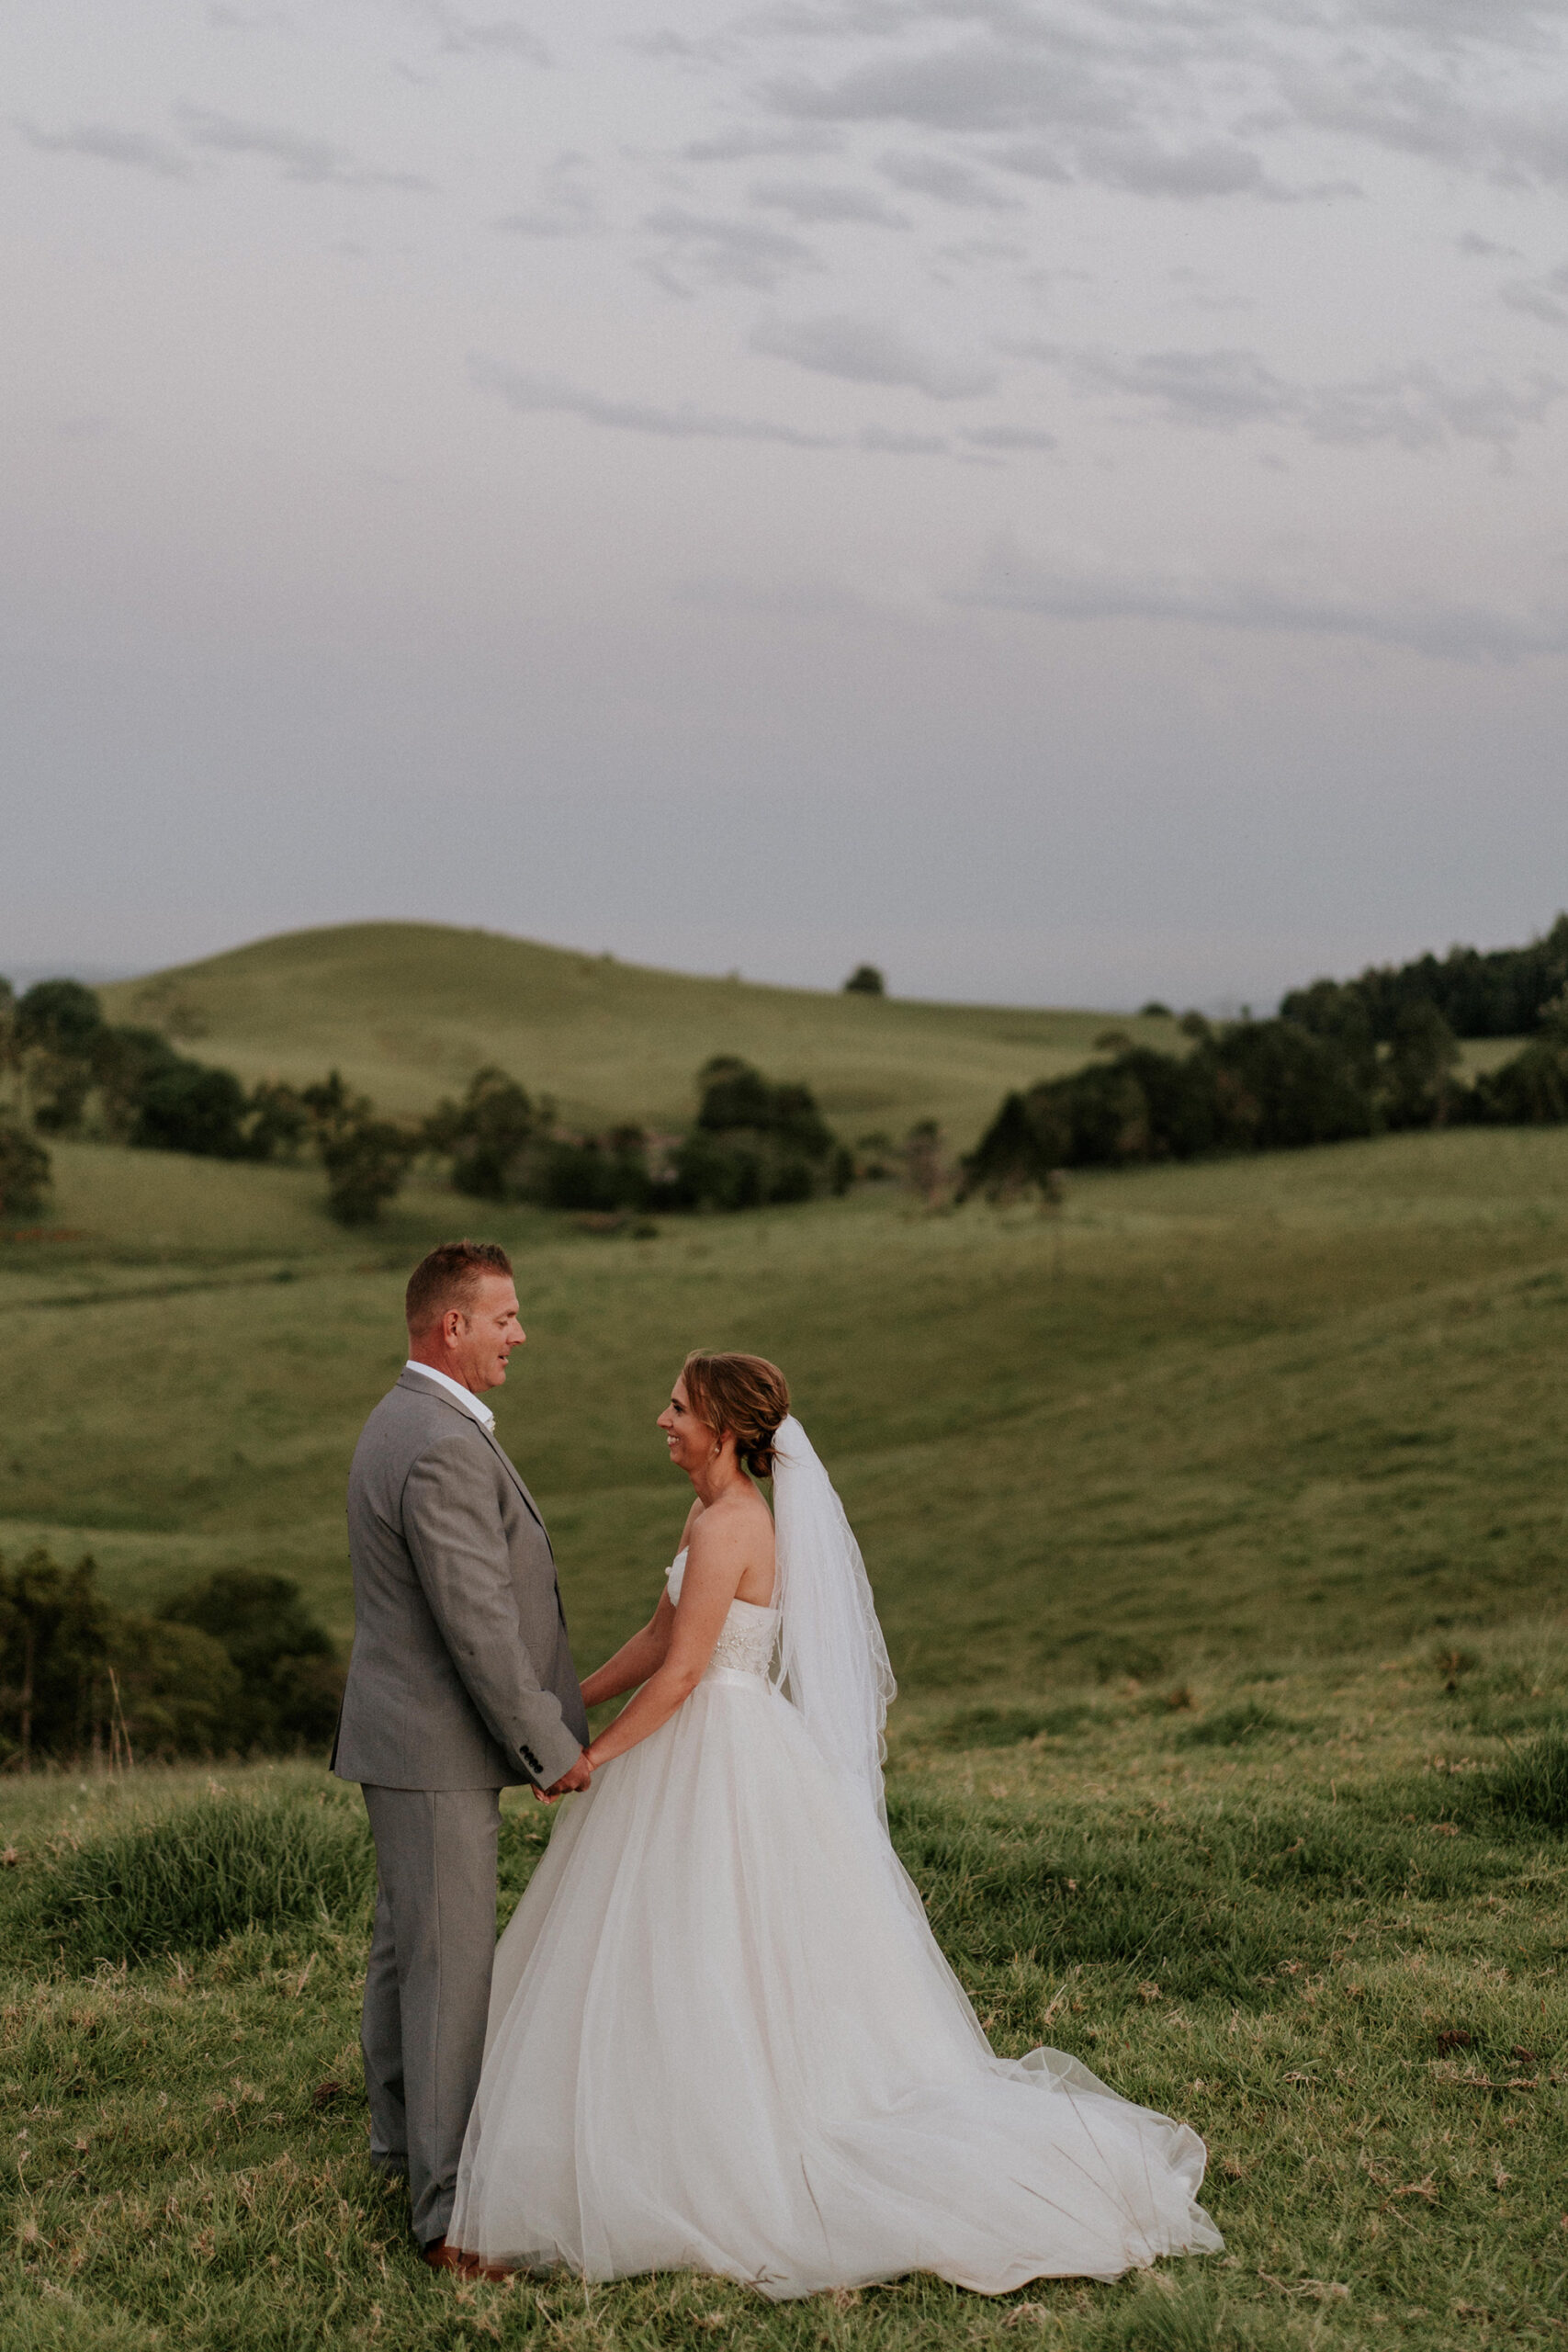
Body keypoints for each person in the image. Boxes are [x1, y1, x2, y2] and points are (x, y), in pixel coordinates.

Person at [448, 1351, 1221, 2297]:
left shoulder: (738, 1521)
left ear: (725, 1432)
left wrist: (592, 1758)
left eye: (679, 1407)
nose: (663, 1418)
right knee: (671, 1940)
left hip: (722, 1744)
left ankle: (727, 2143)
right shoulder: (703, 1511)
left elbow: (687, 1671)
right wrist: (564, 1701)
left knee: (717, 1941)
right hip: (697, 1737)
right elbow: (657, 1637)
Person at [333, 1240, 591, 2270]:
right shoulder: (438, 1442)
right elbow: (476, 1623)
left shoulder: (406, 1417)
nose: (519, 1335)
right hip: (435, 1746)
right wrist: (546, 1744)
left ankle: (400, 2147)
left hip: (402, 1739)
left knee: (408, 1945)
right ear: (453, 1326)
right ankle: (443, 2220)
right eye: (507, 1318)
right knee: (447, 1968)